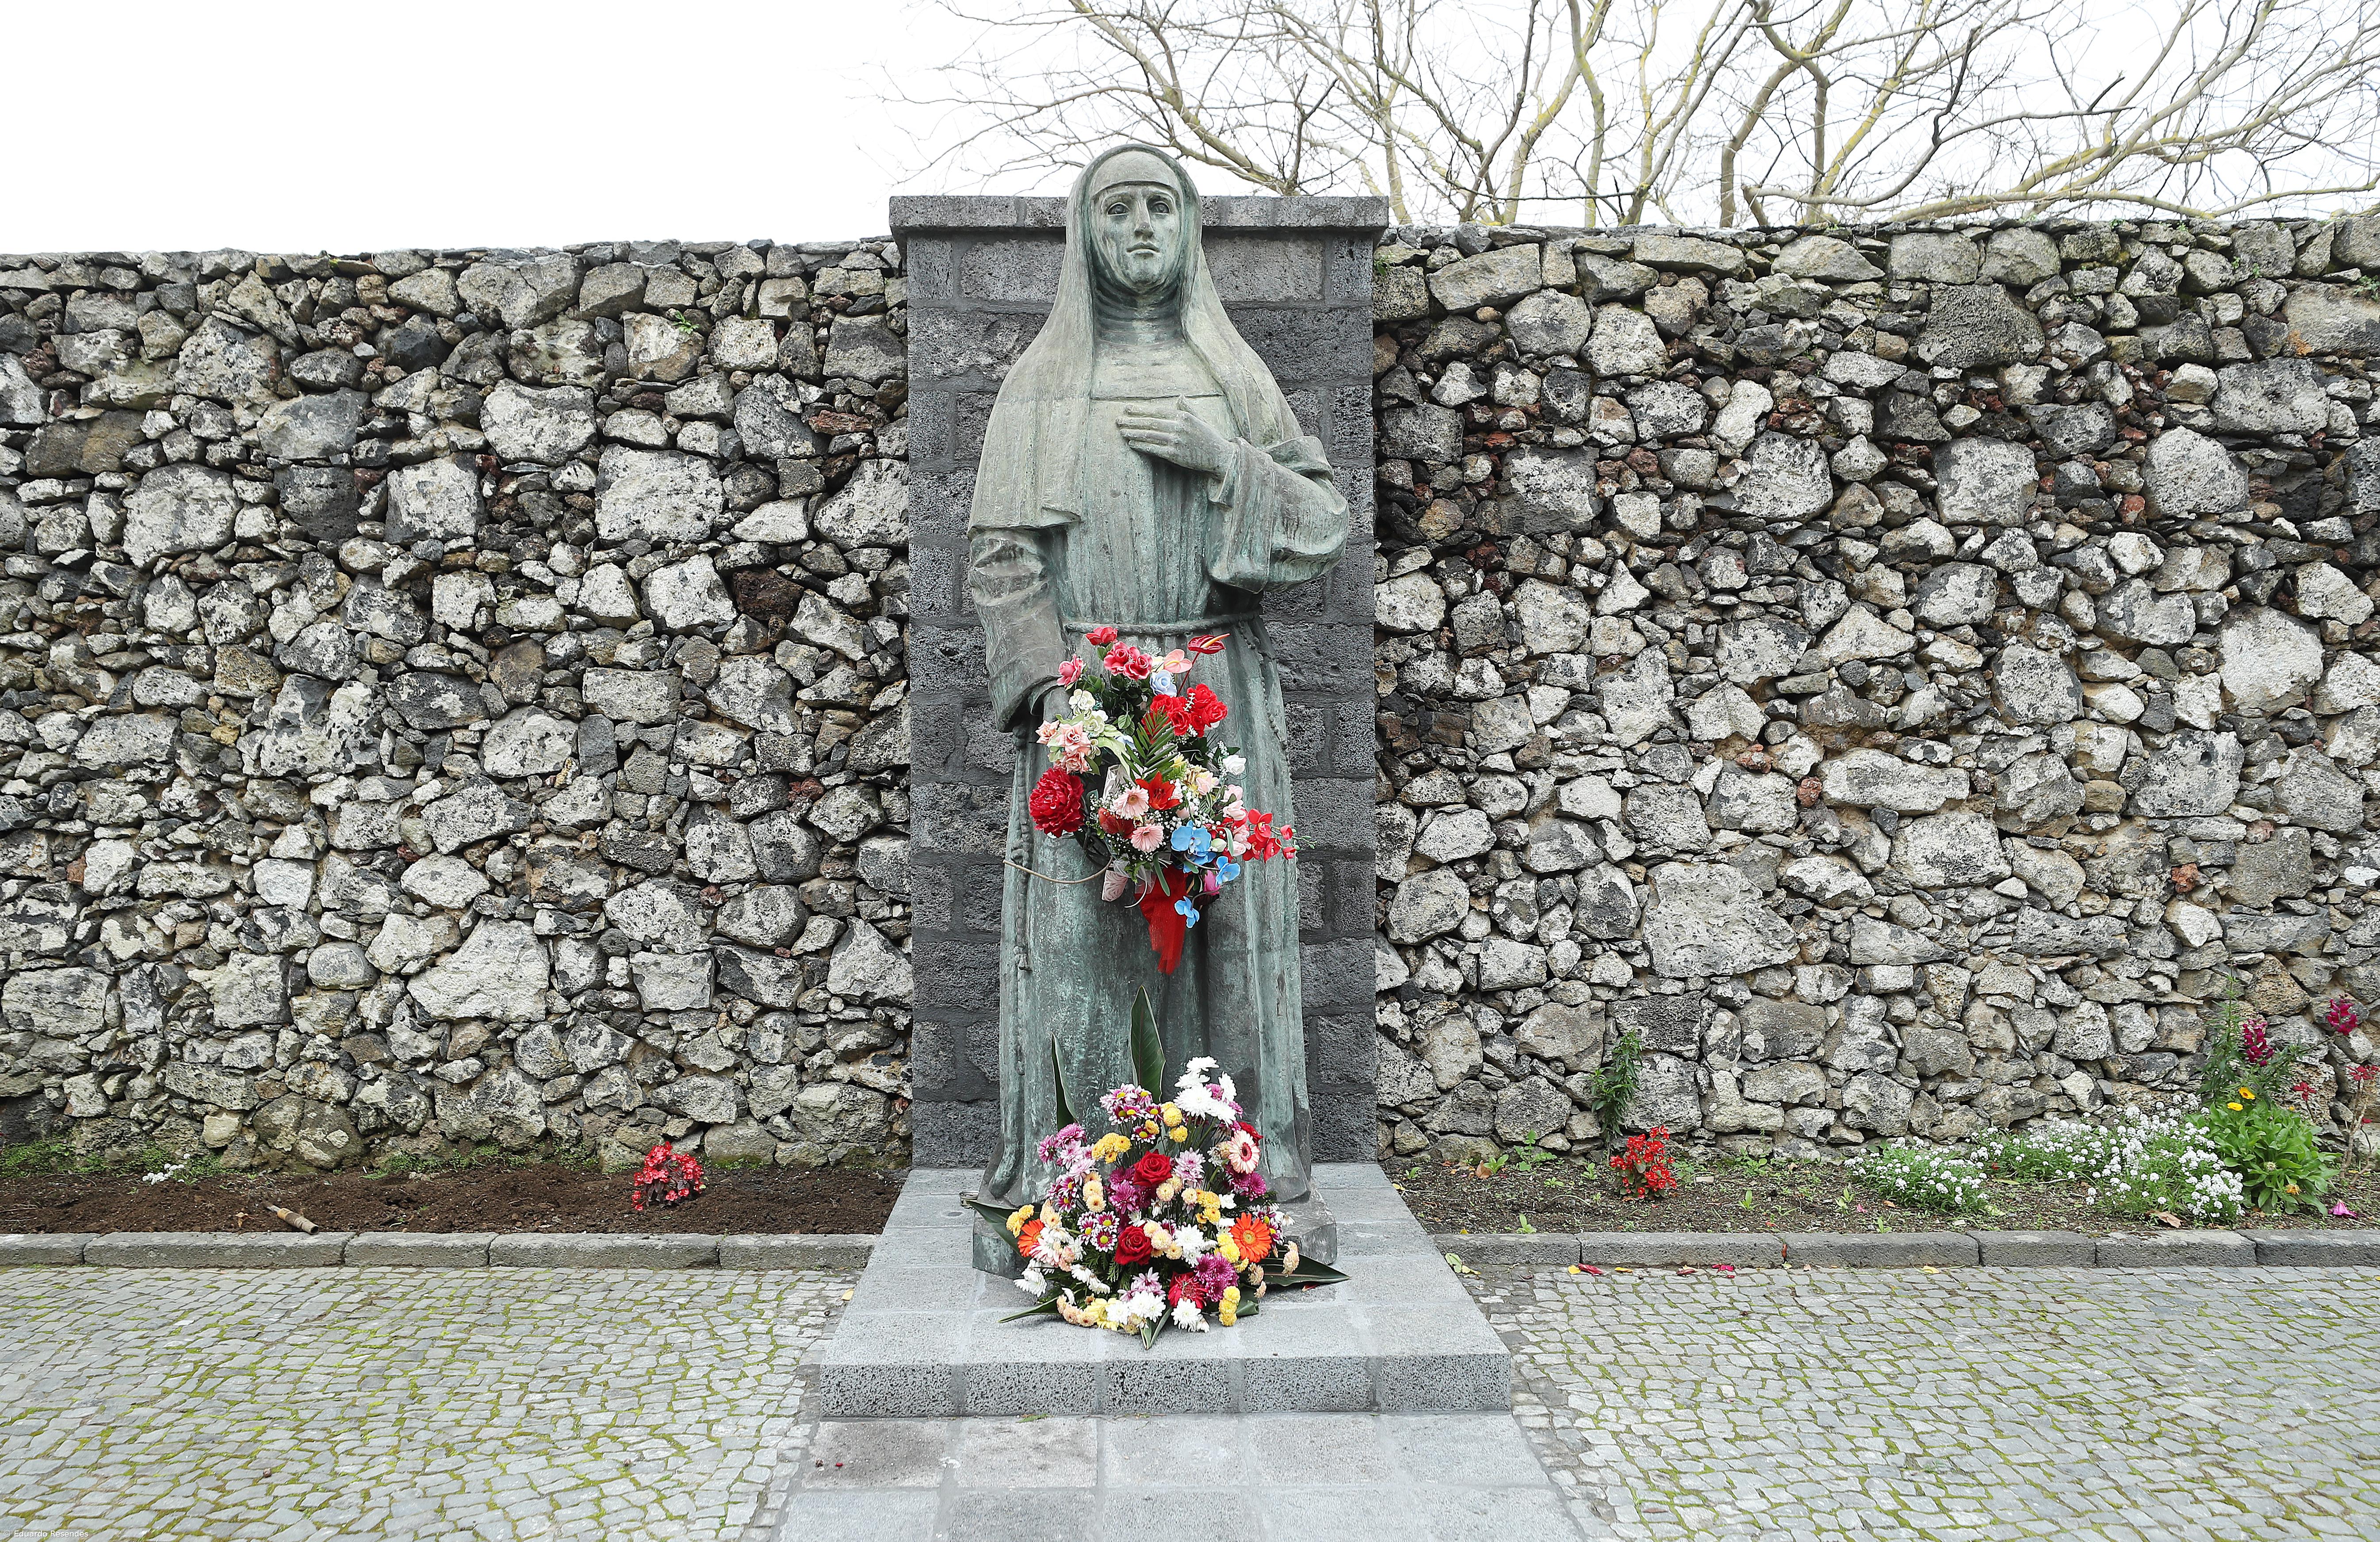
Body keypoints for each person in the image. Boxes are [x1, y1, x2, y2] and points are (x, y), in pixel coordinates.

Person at [969, 144, 1349, 1208]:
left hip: (1221, 694)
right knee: (1088, 938)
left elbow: (1323, 524)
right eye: (1118, 209)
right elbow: (1001, 558)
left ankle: (1232, 1169)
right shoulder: (1043, 382)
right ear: (1085, 234)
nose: (1140, 226)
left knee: (1228, 937)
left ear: (1187, 229)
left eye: (1159, 207)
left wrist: (1222, 457)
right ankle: (1089, 1180)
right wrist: (1058, 696)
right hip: (1090, 701)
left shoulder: (1234, 377)